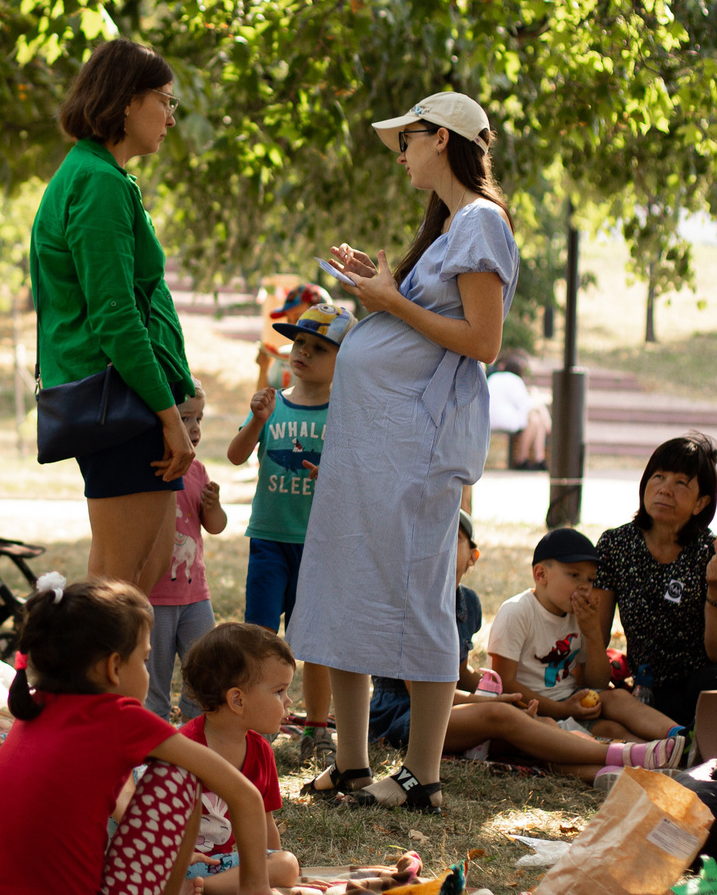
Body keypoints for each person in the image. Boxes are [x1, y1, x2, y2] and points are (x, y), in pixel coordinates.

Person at [286, 91, 517, 813]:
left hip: (415, 452)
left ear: (441, 138)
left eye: (407, 140)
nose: (401, 155)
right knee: (347, 584)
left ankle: (422, 775)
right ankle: (353, 763)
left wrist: (391, 304)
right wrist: (378, 292)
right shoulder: (450, 225)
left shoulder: (481, 221)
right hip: (375, 449)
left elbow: (483, 342)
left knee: (418, 600)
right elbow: (418, 328)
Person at [0, 575, 275, 895]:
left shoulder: (34, 709)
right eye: (145, 659)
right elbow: (243, 794)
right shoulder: (117, 716)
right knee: (182, 777)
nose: (149, 672)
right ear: (113, 667)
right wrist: (255, 886)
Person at [29, 40, 199, 593]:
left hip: (126, 396)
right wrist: (170, 416)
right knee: (116, 594)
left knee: (135, 584)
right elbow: (116, 317)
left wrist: (181, 391)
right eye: (165, 101)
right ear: (128, 101)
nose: (170, 118)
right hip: (118, 399)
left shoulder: (103, 174)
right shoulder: (97, 181)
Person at [371, 516, 683, 779]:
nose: (439, 543)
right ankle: (619, 756)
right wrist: (493, 700)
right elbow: (423, 693)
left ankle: (659, 756)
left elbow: (457, 673)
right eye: (431, 535)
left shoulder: (467, 603)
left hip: (456, 709)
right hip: (408, 714)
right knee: (509, 718)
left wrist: (486, 688)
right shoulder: (411, 602)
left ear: (472, 557)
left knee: (540, 730)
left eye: (452, 537)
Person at [227, 300, 346, 759]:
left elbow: (356, 477)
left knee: (315, 641)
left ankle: (317, 726)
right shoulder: (272, 404)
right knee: (260, 639)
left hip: (320, 546)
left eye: (320, 347)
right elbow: (236, 455)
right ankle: (253, 726)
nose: (304, 352)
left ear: (344, 361)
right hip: (270, 540)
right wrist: (256, 420)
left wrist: (332, 475)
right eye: (299, 342)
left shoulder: (345, 414)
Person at [574, 432, 717, 727]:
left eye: (681, 483)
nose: (665, 489)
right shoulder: (617, 544)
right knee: (613, 706)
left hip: (702, 685)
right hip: (648, 690)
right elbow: (597, 637)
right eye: (659, 477)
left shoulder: (712, 552)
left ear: (701, 502)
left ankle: (685, 739)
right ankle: (678, 739)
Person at [481, 527, 683, 747]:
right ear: (541, 575)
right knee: (610, 731)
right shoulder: (517, 611)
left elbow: (597, 683)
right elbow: (504, 683)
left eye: (590, 579)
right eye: (574, 575)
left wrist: (593, 633)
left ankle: (680, 738)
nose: (584, 587)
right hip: (528, 711)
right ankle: (658, 754)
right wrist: (561, 709)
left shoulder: (579, 615)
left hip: (569, 700)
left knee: (618, 699)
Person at [175, 621, 302, 895]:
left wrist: (271, 868)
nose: (289, 701)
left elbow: (265, 824)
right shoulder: (183, 748)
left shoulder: (261, 752)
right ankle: (183, 887)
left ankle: (201, 889)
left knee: (287, 864)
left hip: (220, 867)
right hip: (172, 862)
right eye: (279, 691)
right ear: (237, 700)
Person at [144, 393, 226, 719]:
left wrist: (213, 506)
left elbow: (215, 526)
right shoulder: (147, 468)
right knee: (154, 676)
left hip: (195, 594)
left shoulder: (198, 471)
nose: (193, 428)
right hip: (155, 595)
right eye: (184, 418)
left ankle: (197, 729)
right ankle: (156, 731)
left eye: (198, 419)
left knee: (205, 668)